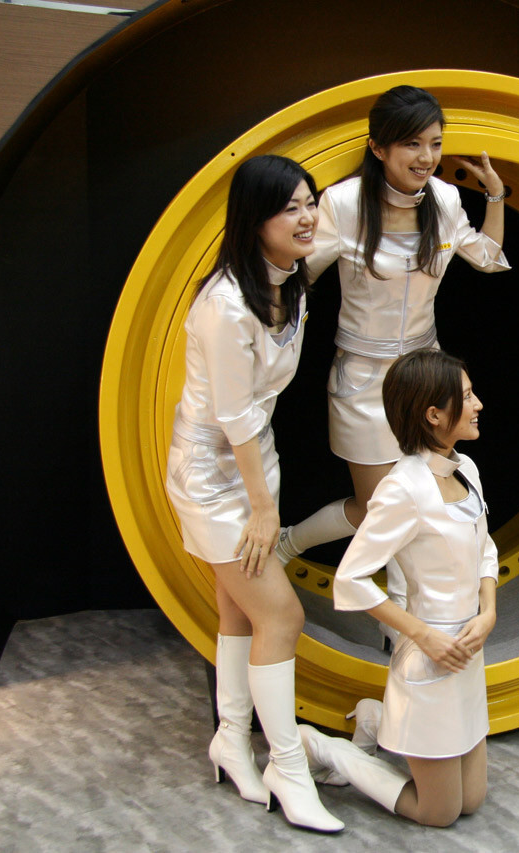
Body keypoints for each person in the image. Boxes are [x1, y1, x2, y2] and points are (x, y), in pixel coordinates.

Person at [274, 86, 509, 626]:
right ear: (378, 147)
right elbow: (297, 277)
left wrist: (494, 196)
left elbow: (489, 259)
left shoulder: (445, 200)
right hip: (361, 377)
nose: (426, 157)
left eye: (435, 144)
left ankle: (406, 632)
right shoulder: (343, 203)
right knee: (375, 510)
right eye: (411, 144)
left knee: (422, 503)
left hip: (427, 376)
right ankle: (290, 543)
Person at [163, 154, 343, 833]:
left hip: (254, 461)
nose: (307, 217)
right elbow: (234, 414)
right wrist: (264, 511)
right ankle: (287, 767)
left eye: (309, 202)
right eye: (289, 208)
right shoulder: (225, 306)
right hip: (212, 477)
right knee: (282, 616)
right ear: (254, 220)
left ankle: (231, 738)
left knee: (238, 612)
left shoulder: (288, 277)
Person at [298, 348, 498, 828]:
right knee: (438, 813)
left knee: (472, 801)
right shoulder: (402, 487)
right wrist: (423, 635)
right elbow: (351, 578)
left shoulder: (466, 470)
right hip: (429, 655)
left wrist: (488, 612)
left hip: (468, 653)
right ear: (434, 415)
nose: (478, 405)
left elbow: (485, 548)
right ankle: (323, 747)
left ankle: (375, 716)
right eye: (467, 396)